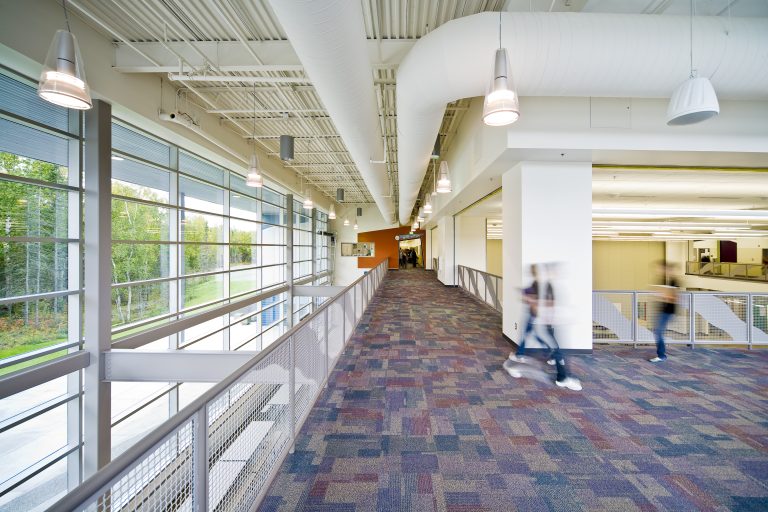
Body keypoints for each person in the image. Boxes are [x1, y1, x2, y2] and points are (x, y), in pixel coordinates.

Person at [508, 263, 582, 391]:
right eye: (555, 271)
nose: (557, 273)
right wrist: (533, 302)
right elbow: (539, 305)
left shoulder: (548, 285)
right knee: (556, 351)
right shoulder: (542, 284)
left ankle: (561, 375)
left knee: (555, 350)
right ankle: (562, 378)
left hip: (545, 325)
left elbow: (547, 303)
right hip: (540, 326)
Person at [508, 264, 554, 365]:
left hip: (538, 316)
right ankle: (520, 354)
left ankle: (553, 354)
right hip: (534, 315)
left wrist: (529, 298)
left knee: (536, 336)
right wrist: (523, 293)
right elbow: (530, 293)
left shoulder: (545, 284)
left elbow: (544, 300)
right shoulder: (536, 283)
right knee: (531, 334)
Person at [650, 262, 679, 363]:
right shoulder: (664, 280)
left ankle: (661, 355)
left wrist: (663, 295)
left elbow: (674, 298)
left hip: (667, 312)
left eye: (661, 269)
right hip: (662, 311)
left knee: (658, 332)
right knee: (657, 331)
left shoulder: (673, 281)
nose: (659, 271)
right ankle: (661, 355)